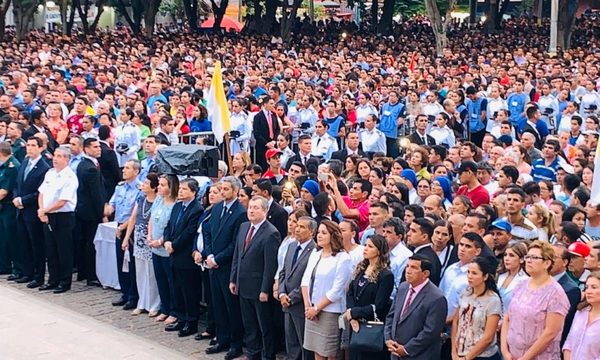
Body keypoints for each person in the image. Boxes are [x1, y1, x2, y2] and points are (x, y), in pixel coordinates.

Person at [230, 196, 281, 360]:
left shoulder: (271, 233)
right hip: (243, 284)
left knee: (264, 325)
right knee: (249, 324)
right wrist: (233, 279)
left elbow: (270, 265)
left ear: (265, 211)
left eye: (255, 208)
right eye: (250, 207)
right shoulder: (244, 227)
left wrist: (265, 289)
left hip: (259, 288)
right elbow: (238, 255)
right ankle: (253, 353)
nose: (251, 210)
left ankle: (268, 355)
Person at [500, 240, 570, 360]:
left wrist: (525, 358)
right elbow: (507, 318)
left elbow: (550, 332)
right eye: (528, 256)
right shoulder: (521, 284)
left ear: (546, 263)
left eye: (534, 257)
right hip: (512, 355)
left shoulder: (555, 293)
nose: (529, 260)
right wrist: (505, 351)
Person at [202, 176, 248, 358]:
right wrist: (209, 254)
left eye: (226, 189)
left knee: (231, 307)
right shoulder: (217, 208)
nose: (222, 192)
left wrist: (218, 258)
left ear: (235, 191)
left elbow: (235, 243)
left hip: (227, 266)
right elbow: (209, 233)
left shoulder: (240, 212)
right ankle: (222, 338)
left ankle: (235, 344)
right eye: (221, 189)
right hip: (213, 264)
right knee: (218, 304)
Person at [301, 220, 353, 360]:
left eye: (324, 233)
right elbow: (305, 280)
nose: (319, 235)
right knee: (316, 350)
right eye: (318, 232)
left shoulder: (343, 258)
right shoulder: (315, 253)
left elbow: (337, 290)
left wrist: (317, 308)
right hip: (311, 310)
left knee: (330, 352)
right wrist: (308, 307)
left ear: (333, 235)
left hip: (330, 312)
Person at [384, 254, 448, 359]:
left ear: (425, 273)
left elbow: (430, 332)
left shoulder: (436, 298)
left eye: (413, 268)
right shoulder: (403, 287)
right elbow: (391, 316)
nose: (408, 271)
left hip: (420, 355)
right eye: (407, 266)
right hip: (395, 353)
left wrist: (406, 349)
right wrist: (388, 339)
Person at [163, 178, 204, 337]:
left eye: (185, 189)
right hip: (173, 254)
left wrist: (174, 245)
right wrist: (167, 240)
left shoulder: (197, 209)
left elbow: (189, 232)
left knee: (189, 291)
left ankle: (191, 322)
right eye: (180, 188)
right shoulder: (177, 205)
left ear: (193, 192)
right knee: (178, 289)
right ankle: (180, 318)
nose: (180, 191)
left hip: (185, 256)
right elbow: (169, 225)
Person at [343, 234, 394, 360]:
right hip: (355, 323)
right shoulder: (361, 268)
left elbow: (379, 305)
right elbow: (350, 292)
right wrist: (351, 316)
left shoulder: (385, 275)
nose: (365, 249)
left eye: (370, 246)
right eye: (365, 245)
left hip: (370, 326)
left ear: (379, 251)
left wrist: (354, 312)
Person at [37, 146, 78, 293]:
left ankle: (64, 281)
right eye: (55, 155)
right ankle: (52, 279)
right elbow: (41, 193)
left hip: (63, 216)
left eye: (60, 156)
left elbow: (63, 201)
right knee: (51, 248)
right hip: (48, 215)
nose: (55, 158)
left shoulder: (70, 177)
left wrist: (44, 210)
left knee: (63, 250)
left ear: (67, 159)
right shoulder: (50, 173)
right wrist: (42, 210)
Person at [12, 137, 50, 288]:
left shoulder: (44, 167)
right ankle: (27, 272)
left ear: (41, 148)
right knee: (24, 242)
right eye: (28, 145)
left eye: (33, 145)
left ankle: (38, 275)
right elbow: (17, 183)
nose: (29, 148)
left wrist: (23, 200)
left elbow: (39, 192)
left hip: (33, 210)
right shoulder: (25, 163)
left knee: (37, 245)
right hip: (20, 210)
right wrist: (16, 197)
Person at [278, 215, 317, 360]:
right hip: (286, 302)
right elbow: (283, 272)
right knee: (291, 342)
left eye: (302, 227)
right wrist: (282, 293)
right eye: (297, 225)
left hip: (300, 304)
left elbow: (308, 279)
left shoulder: (314, 251)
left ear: (312, 232)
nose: (297, 229)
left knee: (304, 343)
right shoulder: (292, 245)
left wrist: (292, 297)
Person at [122, 173, 160, 316]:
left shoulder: (158, 201)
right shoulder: (141, 199)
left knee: (151, 273)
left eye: (146, 183)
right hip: (138, 238)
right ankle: (142, 302)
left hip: (150, 238)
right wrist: (127, 238)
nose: (143, 185)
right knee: (140, 271)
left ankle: (154, 304)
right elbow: (132, 219)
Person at [451, 257, 503, 360]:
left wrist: (467, 358)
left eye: (474, 273)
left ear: (485, 276)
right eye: (468, 272)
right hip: (461, 351)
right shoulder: (465, 292)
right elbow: (456, 321)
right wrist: (454, 350)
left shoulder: (492, 300)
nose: (470, 276)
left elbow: (488, 337)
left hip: (482, 356)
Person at [106, 160, 141, 309]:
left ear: (136, 171)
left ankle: (134, 295)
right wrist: (107, 209)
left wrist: (124, 227)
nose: (124, 170)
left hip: (131, 228)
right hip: (119, 225)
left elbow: (136, 213)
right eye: (124, 168)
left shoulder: (139, 189)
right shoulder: (120, 187)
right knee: (121, 261)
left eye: (127, 168)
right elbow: (111, 204)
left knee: (131, 263)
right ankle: (125, 292)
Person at [74, 138, 105, 286]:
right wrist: (102, 213)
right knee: (90, 242)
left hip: (83, 209)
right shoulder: (90, 168)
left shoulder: (84, 164)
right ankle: (90, 274)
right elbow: (96, 194)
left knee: (84, 241)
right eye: (95, 147)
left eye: (99, 146)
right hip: (91, 211)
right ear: (86, 149)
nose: (98, 149)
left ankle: (83, 272)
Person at [148, 174, 179, 324]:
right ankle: (164, 308)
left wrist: (160, 241)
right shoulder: (159, 200)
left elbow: (172, 228)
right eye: (159, 184)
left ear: (170, 187)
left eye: (162, 185)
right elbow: (151, 219)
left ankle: (174, 310)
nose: (159, 187)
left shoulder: (174, 204)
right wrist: (149, 236)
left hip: (165, 247)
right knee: (160, 279)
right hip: (154, 247)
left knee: (170, 281)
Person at [562, 271, 600, 359]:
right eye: (586, 287)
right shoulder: (580, 312)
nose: (588, 291)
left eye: (594, 287)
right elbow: (569, 343)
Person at [550, 243, 582, 346]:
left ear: (565, 262)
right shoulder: (536, 281)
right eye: (546, 256)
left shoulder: (570, 289)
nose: (549, 260)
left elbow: (562, 325)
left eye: (553, 257)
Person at [0, 142, 20, 279]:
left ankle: (16, 267)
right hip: (3, 206)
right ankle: (4, 265)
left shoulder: (12, 166)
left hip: (9, 206)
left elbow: (4, 191)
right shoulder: (4, 164)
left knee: (12, 237)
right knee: (3, 237)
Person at [403, 218, 442, 285]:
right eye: (409, 229)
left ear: (424, 237)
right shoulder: (428, 254)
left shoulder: (425, 258)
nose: (408, 234)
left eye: (413, 231)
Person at [496, 242, 529, 313]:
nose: (506, 259)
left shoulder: (525, 280)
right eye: (505, 255)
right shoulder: (500, 275)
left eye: (511, 255)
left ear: (521, 259)